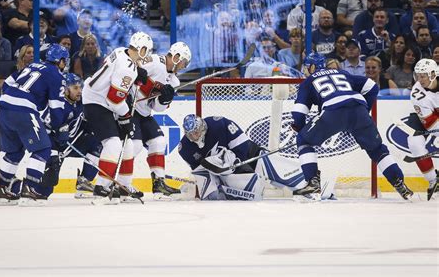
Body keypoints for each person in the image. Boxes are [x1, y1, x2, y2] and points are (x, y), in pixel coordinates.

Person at [290, 52, 414, 201]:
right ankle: (399, 183)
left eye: (306, 67)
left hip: (333, 111)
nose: (305, 70)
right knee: (376, 149)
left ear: (312, 67)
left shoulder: (308, 81)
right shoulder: (342, 73)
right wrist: (364, 110)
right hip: (359, 109)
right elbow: (372, 87)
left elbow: (298, 113)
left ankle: (312, 182)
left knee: (303, 141)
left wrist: (301, 128)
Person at [0, 44, 69, 206]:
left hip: (4, 106)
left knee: (15, 151)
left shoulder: (32, 65)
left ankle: (2, 189)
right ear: (60, 61)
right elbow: (56, 110)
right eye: (64, 61)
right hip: (23, 110)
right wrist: (59, 127)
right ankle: (30, 189)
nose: (65, 64)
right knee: (43, 149)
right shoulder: (57, 75)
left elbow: (7, 84)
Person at [81, 31, 152, 204]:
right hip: (96, 102)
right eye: (147, 52)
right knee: (113, 144)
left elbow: (116, 77)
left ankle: (123, 187)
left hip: (102, 99)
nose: (146, 56)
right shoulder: (128, 69)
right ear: (142, 50)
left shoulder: (121, 51)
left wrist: (137, 73)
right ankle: (101, 187)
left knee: (127, 144)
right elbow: (114, 99)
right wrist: (126, 116)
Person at [178, 114, 314, 201]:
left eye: (196, 132)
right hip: (223, 173)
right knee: (211, 196)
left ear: (202, 127)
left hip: (240, 159)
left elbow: (245, 147)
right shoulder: (185, 148)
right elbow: (202, 173)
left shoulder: (219, 124)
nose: (194, 137)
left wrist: (240, 165)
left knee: (264, 161)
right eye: (191, 134)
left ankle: (307, 182)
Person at [132, 42, 192, 199]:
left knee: (158, 142)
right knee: (135, 146)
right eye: (184, 62)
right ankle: (121, 181)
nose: (184, 67)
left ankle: (158, 184)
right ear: (177, 56)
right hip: (129, 108)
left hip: (144, 113)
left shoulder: (174, 82)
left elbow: (156, 108)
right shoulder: (154, 61)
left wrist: (164, 99)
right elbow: (132, 71)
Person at [40, 73, 101, 199]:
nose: (79, 91)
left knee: (98, 144)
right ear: (66, 89)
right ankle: (32, 190)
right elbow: (44, 131)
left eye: (80, 87)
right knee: (46, 189)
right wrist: (54, 153)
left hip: (72, 143)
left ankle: (83, 183)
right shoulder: (57, 105)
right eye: (75, 88)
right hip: (55, 145)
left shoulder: (81, 102)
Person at [405, 58, 439, 201]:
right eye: (418, 75)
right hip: (427, 117)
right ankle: (433, 181)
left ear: (433, 74)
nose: (420, 79)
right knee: (414, 142)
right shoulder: (417, 92)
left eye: (423, 75)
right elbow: (430, 123)